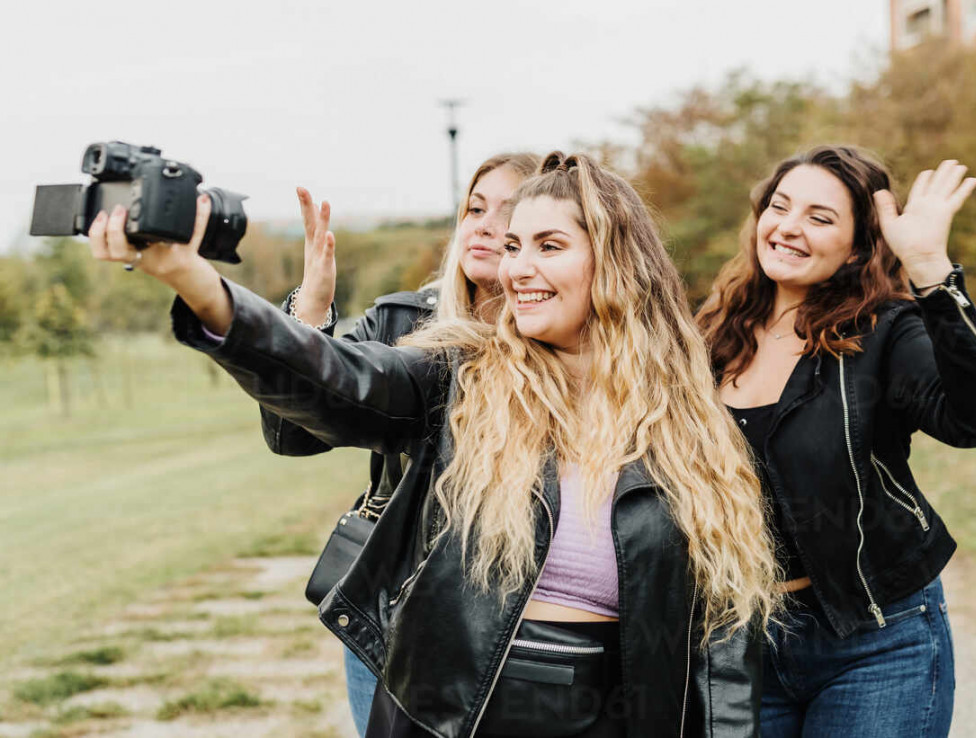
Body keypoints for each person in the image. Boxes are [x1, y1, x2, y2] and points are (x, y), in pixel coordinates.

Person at [87, 152, 780, 737]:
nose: (517, 269)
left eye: (549, 246)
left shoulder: (691, 425)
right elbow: (333, 380)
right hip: (451, 715)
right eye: (513, 246)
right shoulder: (461, 376)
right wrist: (195, 281)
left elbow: (724, 645)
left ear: (618, 263)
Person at [695, 146, 976, 737]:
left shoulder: (886, 333)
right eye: (780, 207)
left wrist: (929, 268)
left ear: (855, 247)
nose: (789, 228)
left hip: (878, 641)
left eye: (820, 218)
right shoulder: (712, 333)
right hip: (743, 644)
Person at [261, 153, 540, 736]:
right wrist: (309, 312)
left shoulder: (560, 333)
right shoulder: (400, 321)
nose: (484, 225)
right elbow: (294, 433)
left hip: (516, 621)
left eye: (508, 210)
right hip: (396, 615)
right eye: (475, 207)